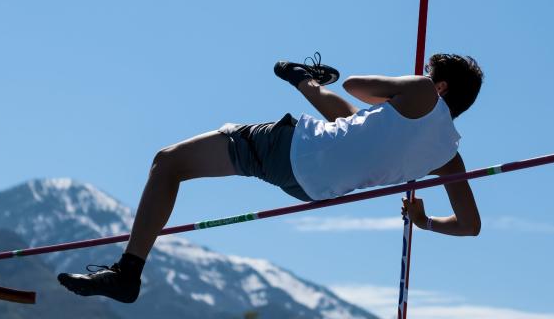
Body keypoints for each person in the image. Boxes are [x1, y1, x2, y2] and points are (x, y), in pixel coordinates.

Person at [58, 52, 484, 303]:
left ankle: (127, 272)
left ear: (441, 86)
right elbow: (470, 226)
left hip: (293, 149)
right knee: (353, 129)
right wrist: (423, 220)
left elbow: (355, 84)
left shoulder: (423, 91)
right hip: (312, 188)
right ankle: (306, 83)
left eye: (428, 72)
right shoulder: (449, 156)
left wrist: (405, 85)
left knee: (167, 162)